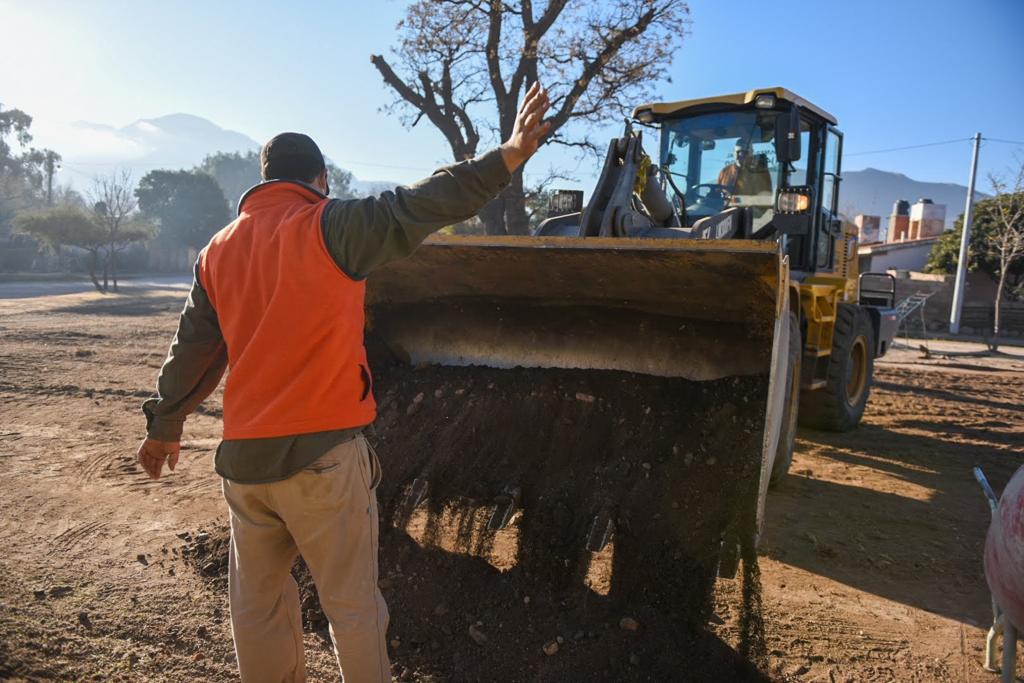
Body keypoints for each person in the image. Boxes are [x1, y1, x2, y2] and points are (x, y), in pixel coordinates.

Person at [136, 83, 552, 683]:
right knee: (352, 609)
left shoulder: (217, 251)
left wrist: (164, 427)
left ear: (264, 179)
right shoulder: (329, 225)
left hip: (246, 465)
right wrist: (507, 155)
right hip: (324, 459)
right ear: (320, 178)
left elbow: (192, 352)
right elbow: (418, 204)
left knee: (256, 612)